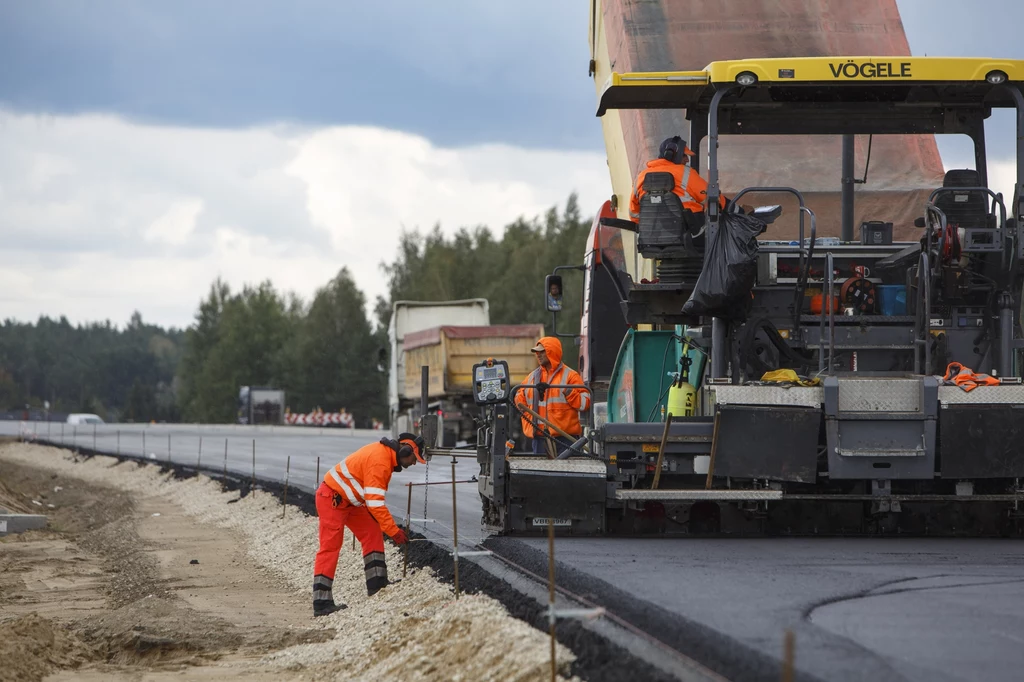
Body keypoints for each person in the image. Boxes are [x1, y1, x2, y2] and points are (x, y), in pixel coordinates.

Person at [312, 432, 424, 616]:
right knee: (330, 547)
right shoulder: (380, 461)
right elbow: (375, 503)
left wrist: (388, 528)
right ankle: (321, 603)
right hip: (331, 498)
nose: (413, 463)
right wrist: (393, 531)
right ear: (405, 451)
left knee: (372, 531)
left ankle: (377, 584)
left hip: (350, 501)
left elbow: (371, 500)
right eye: (414, 458)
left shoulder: (385, 457)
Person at [629, 135, 728, 235]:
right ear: (671, 155)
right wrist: (737, 210)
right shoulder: (685, 173)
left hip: (655, 240)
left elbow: (634, 215)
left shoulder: (640, 178)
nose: (687, 160)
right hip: (693, 236)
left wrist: (653, 229)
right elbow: (712, 197)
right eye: (684, 155)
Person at [514, 336, 590, 456]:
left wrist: (568, 392)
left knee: (567, 474)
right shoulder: (531, 378)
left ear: (552, 351)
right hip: (539, 440)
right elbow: (519, 400)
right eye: (536, 352)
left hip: (566, 439)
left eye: (542, 351)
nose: (538, 355)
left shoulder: (571, 376)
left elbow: (585, 403)